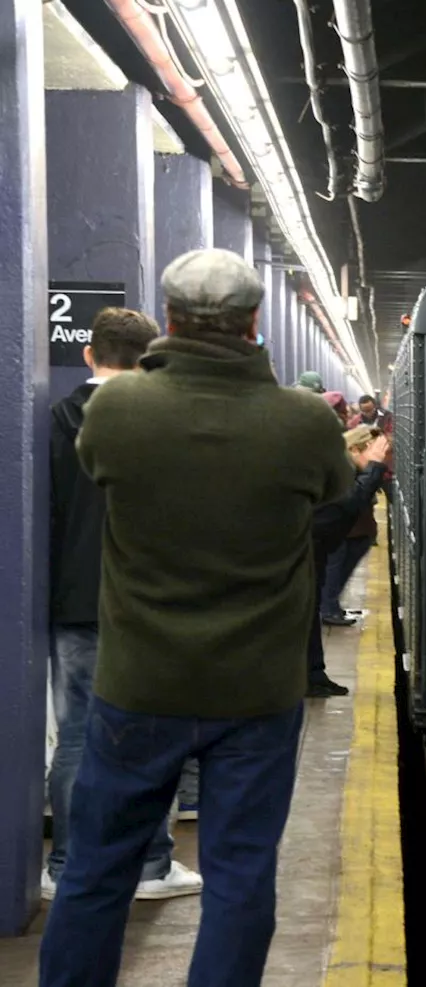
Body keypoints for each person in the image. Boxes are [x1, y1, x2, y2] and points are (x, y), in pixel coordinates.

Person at [39, 248, 353, 987]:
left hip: (140, 684)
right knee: (241, 875)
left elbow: (95, 464)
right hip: (256, 695)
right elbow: (335, 490)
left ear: (169, 320)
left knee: (97, 869)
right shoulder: (302, 421)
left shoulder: (118, 408)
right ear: (254, 324)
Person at [45, 307, 203, 903]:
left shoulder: (53, 421)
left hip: (75, 606)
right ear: (148, 359)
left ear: (89, 355)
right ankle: (150, 866)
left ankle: (63, 867)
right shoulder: (167, 424)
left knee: (79, 738)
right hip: (146, 606)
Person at [309, 427, 391, 686]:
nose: (382, 456)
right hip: (305, 555)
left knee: (310, 615)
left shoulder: (340, 466)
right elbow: (343, 508)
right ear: (355, 449)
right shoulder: (337, 472)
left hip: (312, 555)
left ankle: (314, 676)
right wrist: (374, 469)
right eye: (374, 450)